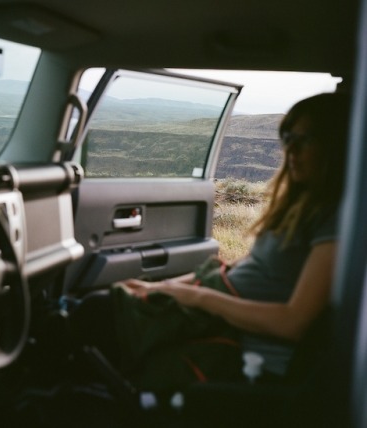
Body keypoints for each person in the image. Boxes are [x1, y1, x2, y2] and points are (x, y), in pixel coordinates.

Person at [70, 92, 350, 386]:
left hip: (241, 345)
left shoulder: (337, 221)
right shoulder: (302, 206)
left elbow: (293, 323)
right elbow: (249, 266)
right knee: (97, 310)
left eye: (304, 140)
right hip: (221, 314)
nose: (291, 149)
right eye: (288, 138)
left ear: (335, 146)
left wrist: (199, 298)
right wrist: (168, 286)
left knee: (95, 316)